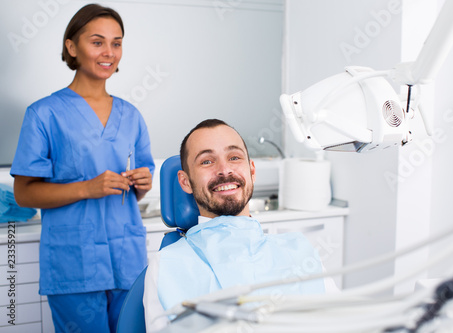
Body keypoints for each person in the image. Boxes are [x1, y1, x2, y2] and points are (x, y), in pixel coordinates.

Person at [10, 4, 155, 332]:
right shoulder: (44, 114)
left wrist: (142, 182)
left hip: (127, 258)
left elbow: (140, 187)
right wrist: (87, 188)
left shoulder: (131, 116)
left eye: (117, 43)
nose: (109, 52)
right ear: (72, 47)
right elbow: (24, 192)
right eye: (97, 42)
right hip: (74, 263)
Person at [143, 119, 335, 331]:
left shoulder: (301, 252)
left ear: (252, 172)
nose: (224, 170)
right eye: (207, 161)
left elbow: (346, 323)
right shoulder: (167, 266)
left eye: (234, 157)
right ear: (185, 182)